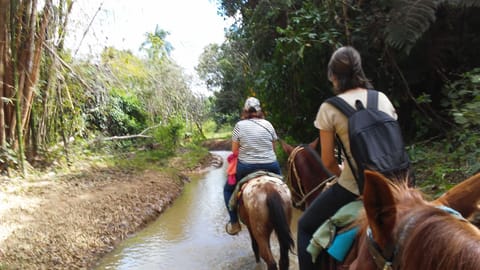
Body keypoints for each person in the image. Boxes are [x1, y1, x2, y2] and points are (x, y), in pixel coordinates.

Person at [296, 46, 399, 269]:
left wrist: (343, 173)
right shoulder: (382, 98)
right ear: (359, 71)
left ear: (333, 76)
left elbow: (328, 162)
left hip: (355, 188)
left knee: (304, 226)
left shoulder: (329, 108)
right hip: (398, 183)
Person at [223, 96, 282, 235]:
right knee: (283, 184)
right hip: (271, 165)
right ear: (259, 110)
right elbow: (273, 150)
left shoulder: (239, 126)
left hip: (246, 167)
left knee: (227, 190)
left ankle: (234, 223)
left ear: (245, 111)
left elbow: (235, 152)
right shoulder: (268, 124)